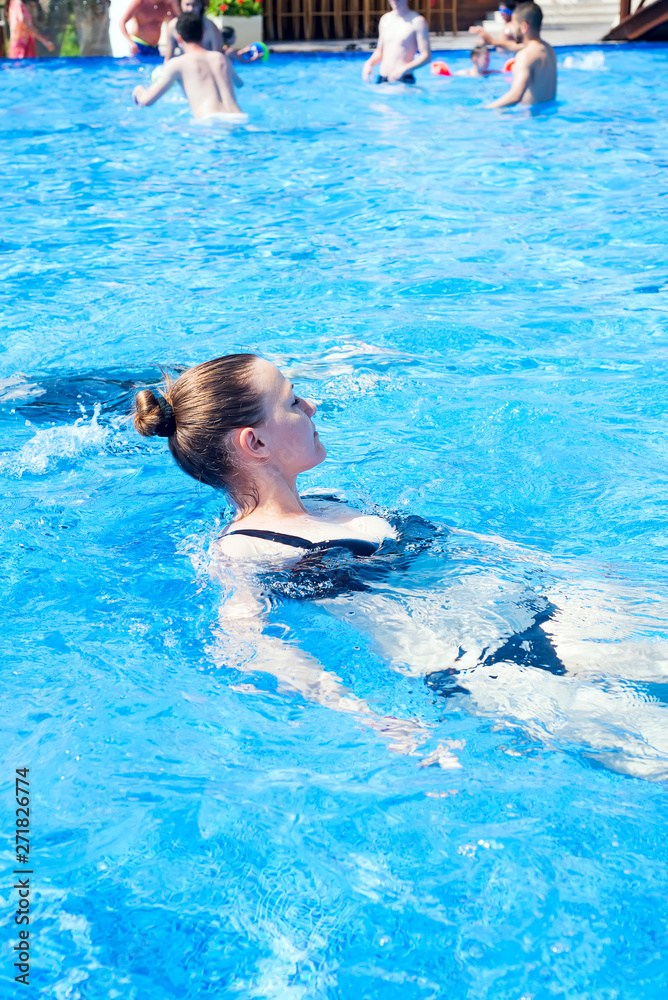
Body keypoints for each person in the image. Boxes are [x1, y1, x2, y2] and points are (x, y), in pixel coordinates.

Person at [132, 352, 668, 779]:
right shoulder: (245, 548)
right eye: (293, 402)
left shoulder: (331, 500)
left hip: (549, 612)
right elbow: (245, 642)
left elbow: (456, 549)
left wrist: (559, 570)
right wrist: (371, 719)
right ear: (256, 442)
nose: (312, 407)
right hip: (488, 670)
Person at [133, 12, 247, 123]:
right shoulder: (220, 58)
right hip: (240, 118)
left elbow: (147, 100)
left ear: (179, 38)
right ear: (203, 34)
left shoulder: (177, 64)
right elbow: (239, 84)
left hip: (211, 122)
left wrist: (139, 90)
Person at [485, 2, 556, 108]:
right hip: (549, 116)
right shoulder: (549, 49)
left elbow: (515, 96)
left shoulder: (526, 54)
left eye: (513, 24)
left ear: (524, 27)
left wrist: (485, 109)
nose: (512, 29)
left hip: (531, 119)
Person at [362, 0, 431, 85]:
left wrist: (404, 69)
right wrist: (369, 63)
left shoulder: (418, 21)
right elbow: (380, 51)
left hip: (403, 80)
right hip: (382, 79)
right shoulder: (385, 19)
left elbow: (426, 56)